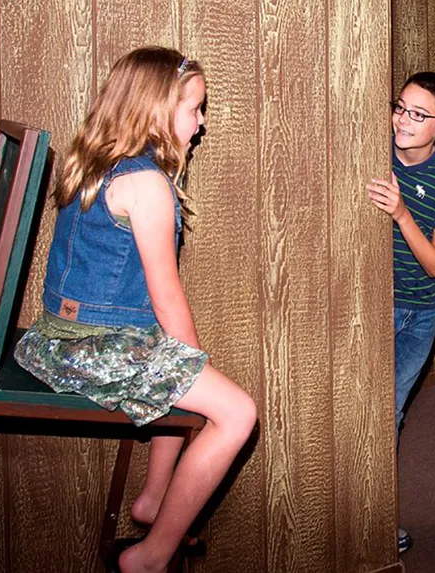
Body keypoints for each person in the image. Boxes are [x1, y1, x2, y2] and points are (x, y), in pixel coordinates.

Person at [13, 46, 257, 573]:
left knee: (174, 359)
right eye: (194, 108)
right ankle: (149, 556)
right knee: (237, 412)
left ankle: (153, 499)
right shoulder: (147, 184)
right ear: (154, 110)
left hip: (58, 337)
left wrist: (187, 359)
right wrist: (197, 359)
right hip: (89, 349)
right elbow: (167, 294)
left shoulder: (103, 163)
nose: (202, 122)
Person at [365, 71, 435, 553]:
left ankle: (379, 518)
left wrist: (402, 212)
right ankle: (360, 514)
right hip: (372, 300)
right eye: (400, 106)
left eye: (419, 114)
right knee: (362, 405)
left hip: (421, 310)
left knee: (390, 410)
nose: (403, 119)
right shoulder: (372, 148)